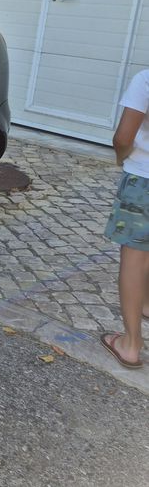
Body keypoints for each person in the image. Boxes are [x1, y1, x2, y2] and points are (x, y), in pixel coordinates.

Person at [104, 70, 149, 369]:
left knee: (134, 258)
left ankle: (130, 344)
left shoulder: (145, 79)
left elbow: (123, 137)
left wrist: (122, 158)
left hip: (144, 178)